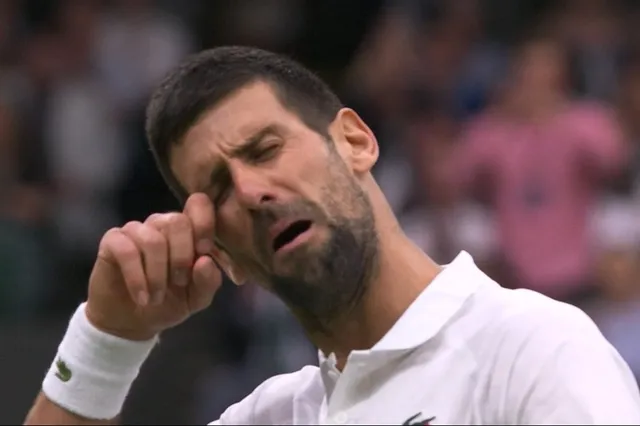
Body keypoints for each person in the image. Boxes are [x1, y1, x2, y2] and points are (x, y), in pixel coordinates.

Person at [25, 46, 640, 425]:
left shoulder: (532, 350)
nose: (250, 192)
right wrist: (106, 341)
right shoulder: (264, 416)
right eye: (216, 191)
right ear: (222, 254)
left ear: (355, 141)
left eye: (266, 149)